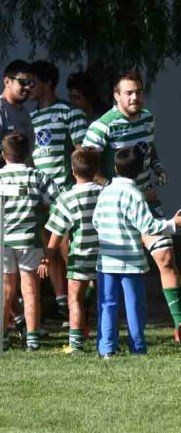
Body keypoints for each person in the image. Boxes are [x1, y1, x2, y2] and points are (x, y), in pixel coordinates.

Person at [82, 71, 181, 343]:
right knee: (107, 269)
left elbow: (149, 147)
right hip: (116, 207)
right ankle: (82, 318)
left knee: (166, 257)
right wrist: (115, 188)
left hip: (146, 201)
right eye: (128, 93)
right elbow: (86, 165)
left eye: (138, 92)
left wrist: (157, 166)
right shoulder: (102, 126)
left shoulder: (147, 118)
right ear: (116, 96)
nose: (135, 97)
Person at [92, 147, 181, 358]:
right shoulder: (135, 195)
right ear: (140, 171)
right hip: (131, 262)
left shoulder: (105, 192)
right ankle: (137, 348)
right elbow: (147, 226)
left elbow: (96, 221)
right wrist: (172, 224)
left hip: (107, 261)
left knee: (107, 304)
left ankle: (106, 348)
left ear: (115, 168)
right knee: (134, 305)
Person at [30, 60, 89, 326]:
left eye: (33, 82)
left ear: (47, 84)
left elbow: (82, 151)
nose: (28, 87)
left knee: (66, 246)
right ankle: (62, 302)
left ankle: (81, 304)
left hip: (64, 193)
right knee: (48, 249)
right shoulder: (31, 117)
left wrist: (77, 187)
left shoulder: (68, 112)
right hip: (39, 195)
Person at [1, 132, 60, 351]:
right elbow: (58, 201)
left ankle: (3, 337)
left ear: (3, 154)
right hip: (30, 240)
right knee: (30, 289)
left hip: (4, 241)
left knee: (6, 290)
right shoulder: (37, 177)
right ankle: (33, 339)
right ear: (28, 154)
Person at [40, 148, 102, 354]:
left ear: (72, 170)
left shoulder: (67, 198)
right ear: (96, 169)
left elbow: (57, 233)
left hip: (80, 256)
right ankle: (107, 339)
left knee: (74, 298)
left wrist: (48, 257)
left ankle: (75, 344)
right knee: (105, 298)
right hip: (105, 255)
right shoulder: (105, 193)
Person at [1, 60, 35, 158]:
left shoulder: (25, 114)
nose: (28, 87)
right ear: (7, 82)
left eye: (31, 83)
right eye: (23, 82)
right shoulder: (1, 109)